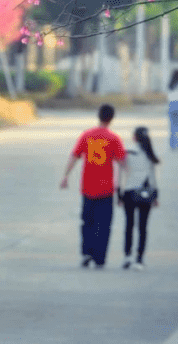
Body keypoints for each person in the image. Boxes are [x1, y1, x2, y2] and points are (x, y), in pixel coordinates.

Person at [59, 104, 127, 268]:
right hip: (106, 189)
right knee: (103, 225)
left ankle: (86, 252)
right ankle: (99, 257)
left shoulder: (87, 135)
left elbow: (74, 156)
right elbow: (123, 163)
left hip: (88, 187)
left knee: (87, 222)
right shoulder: (114, 138)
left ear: (99, 116)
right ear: (111, 119)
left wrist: (65, 176)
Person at [117, 127, 160, 270]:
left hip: (129, 192)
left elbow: (121, 174)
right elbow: (153, 177)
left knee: (129, 225)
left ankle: (127, 256)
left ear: (134, 137)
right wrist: (155, 196)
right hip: (145, 193)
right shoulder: (151, 154)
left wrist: (119, 194)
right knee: (143, 227)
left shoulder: (127, 152)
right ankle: (139, 259)